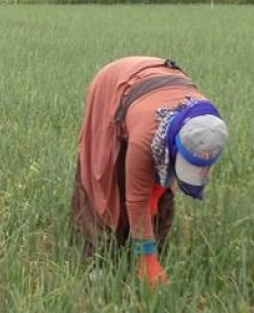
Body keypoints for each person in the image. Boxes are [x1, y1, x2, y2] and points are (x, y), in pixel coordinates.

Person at [71, 57, 229, 288]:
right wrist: (147, 258)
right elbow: (136, 199)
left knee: (156, 190)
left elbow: (168, 170)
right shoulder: (147, 136)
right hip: (116, 85)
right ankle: (100, 258)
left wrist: (156, 195)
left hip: (157, 87)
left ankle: (146, 245)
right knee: (104, 178)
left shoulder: (207, 128)